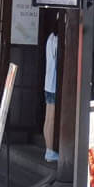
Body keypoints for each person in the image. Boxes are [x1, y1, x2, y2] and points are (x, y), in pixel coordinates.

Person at [42, 22, 60, 163]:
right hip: (54, 84)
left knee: (48, 118)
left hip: (48, 83)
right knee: (52, 118)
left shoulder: (50, 38)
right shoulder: (57, 41)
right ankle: (49, 150)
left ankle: (48, 148)